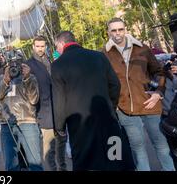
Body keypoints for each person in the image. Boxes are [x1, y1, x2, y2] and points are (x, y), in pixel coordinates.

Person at [51, 31, 135, 171]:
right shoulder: (99, 56)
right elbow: (115, 85)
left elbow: (59, 99)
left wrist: (59, 127)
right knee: (116, 159)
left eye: (57, 48)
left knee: (86, 164)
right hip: (108, 120)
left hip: (80, 127)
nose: (57, 51)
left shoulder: (57, 65)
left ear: (61, 44)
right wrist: (110, 106)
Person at [103, 18, 175, 171]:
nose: (117, 33)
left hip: (150, 103)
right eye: (114, 30)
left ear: (125, 29)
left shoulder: (142, 48)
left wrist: (158, 93)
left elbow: (159, 71)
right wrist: (113, 105)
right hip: (124, 108)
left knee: (161, 145)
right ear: (108, 32)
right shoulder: (104, 54)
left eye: (120, 29)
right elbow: (103, 82)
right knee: (138, 148)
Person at [26, 35, 67, 171]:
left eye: (42, 46)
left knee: (61, 145)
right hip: (43, 113)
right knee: (49, 150)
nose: (40, 49)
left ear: (46, 46)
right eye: (37, 46)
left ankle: (63, 169)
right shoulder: (28, 65)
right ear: (33, 47)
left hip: (59, 111)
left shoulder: (53, 60)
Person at [0, 59, 43, 171]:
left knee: (34, 164)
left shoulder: (30, 78)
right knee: (10, 165)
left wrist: (27, 78)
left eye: (16, 66)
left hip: (28, 122)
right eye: (11, 67)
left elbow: (34, 100)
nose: (14, 69)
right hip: (6, 124)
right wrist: (5, 81)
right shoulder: (0, 79)